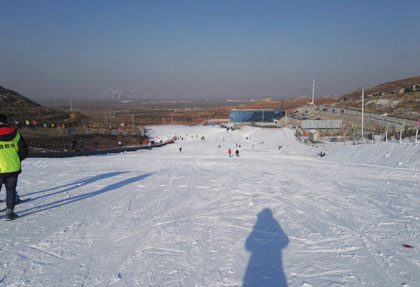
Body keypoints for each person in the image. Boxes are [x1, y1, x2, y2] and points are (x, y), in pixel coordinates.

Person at [0, 114, 28, 221]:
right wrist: (17, 159)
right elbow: (24, 150)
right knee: (10, 190)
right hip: (13, 168)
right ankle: (9, 214)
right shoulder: (16, 134)